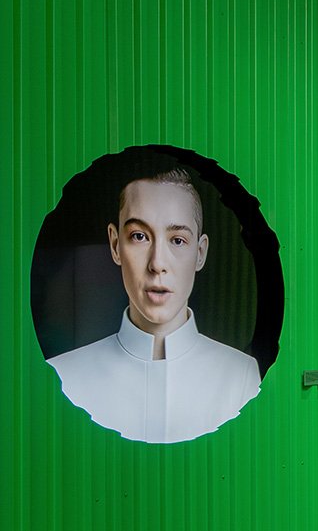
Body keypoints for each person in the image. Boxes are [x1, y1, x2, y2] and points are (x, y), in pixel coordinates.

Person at [47, 159, 261, 443]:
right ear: (115, 245)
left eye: (177, 240)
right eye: (139, 236)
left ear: (200, 252)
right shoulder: (65, 376)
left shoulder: (241, 375)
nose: (157, 263)